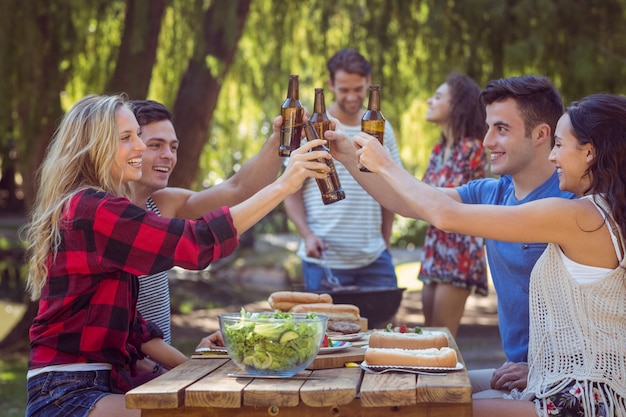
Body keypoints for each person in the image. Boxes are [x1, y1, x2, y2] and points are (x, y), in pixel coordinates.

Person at [24, 94, 330, 417]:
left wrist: (198, 368)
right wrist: (285, 185)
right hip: (67, 392)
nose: (140, 148)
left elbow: (133, 328)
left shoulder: (100, 207)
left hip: (96, 381)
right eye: (128, 138)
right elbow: (195, 243)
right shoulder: (94, 210)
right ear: (94, 146)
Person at [339, 93, 626, 417]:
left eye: (559, 145)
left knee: (430, 408)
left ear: (589, 152)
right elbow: (417, 203)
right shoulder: (598, 211)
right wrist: (350, 155)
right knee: (424, 386)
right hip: (561, 382)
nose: (552, 157)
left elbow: (445, 216)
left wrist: (385, 163)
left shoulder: (579, 216)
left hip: (583, 401)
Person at [128, 99, 284, 350]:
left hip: (156, 368)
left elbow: (238, 189)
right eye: (155, 145)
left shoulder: (162, 204)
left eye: (173, 147)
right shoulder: (105, 216)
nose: (168, 155)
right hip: (122, 374)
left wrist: (278, 140)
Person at [283, 48, 402, 291]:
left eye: (358, 89)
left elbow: (393, 188)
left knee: (383, 328)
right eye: (344, 89)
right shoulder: (311, 129)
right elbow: (290, 191)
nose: (351, 97)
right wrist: (307, 235)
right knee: (326, 330)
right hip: (324, 261)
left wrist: (385, 242)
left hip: (374, 260)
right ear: (331, 85)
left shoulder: (381, 130)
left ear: (368, 83)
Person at [418, 72, 489, 338]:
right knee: (428, 335)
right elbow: (420, 197)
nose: (429, 100)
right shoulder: (439, 150)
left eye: (437, 96)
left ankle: (448, 381)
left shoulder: (474, 149)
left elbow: (443, 198)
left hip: (458, 249)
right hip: (435, 247)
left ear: (457, 105)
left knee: (440, 338)